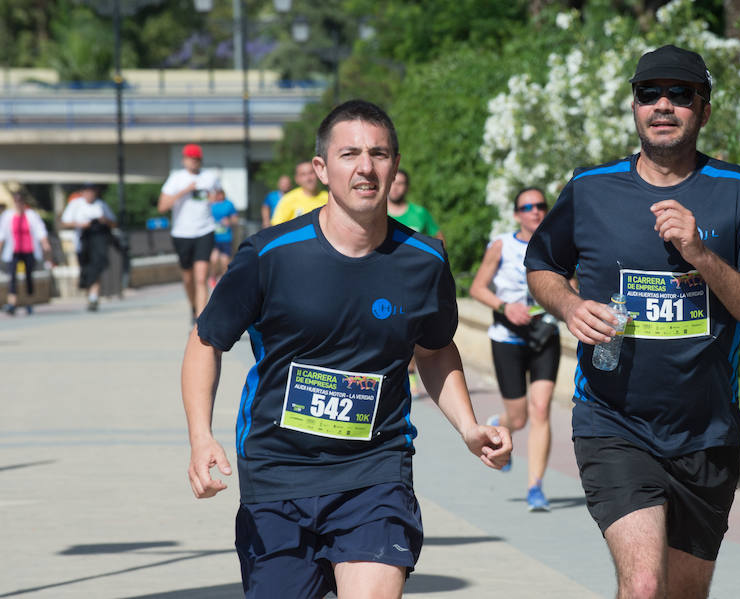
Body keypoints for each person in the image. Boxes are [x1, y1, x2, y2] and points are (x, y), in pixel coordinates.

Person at [181, 99, 512, 599]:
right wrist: (201, 436)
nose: (365, 167)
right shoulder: (269, 255)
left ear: (395, 166)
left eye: (379, 154)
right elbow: (206, 341)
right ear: (322, 168)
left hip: (375, 472)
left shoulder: (423, 261)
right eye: (350, 153)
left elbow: (436, 350)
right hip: (277, 473)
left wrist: (468, 426)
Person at [524, 45, 740, 598]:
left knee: (683, 593)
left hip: (707, 431)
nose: (663, 105)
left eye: (680, 95)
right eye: (650, 94)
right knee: (644, 585)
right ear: (634, 106)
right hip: (613, 422)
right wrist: (572, 306)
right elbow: (542, 267)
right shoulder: (591, 188)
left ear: (705, 110)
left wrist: (703, 256)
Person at [469, 187, 560, 512]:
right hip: (507, 337)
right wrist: (506, 307)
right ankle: (502, 422)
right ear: (516, 214)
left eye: (540, 206)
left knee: (541, 409)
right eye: (527, 207)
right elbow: (477, 288)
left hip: (543, 335)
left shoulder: (557, 244)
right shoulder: (502, 246)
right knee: (519, 417)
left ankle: (535, 486)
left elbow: (572, 284)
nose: (535, 211)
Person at [387, 169, 444, 398]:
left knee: (411, 328)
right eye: (394, 182)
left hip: (413, 282)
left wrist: (437, 267)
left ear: (407, 187)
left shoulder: (419, 214)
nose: (397, 187)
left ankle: (410, 373)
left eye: (401, 183)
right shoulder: (377, 213)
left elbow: (437, 239)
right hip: (383, 279)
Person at [157, 143, 220, 321]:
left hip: (205, 230)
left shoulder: (210, 177)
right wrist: (185, 191)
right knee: (188, 278)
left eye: (196, 159)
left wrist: (215, 198)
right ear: (184, 160)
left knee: (201, 277)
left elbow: (218, 196)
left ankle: (201, 318)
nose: (193, 162)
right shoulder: (176, 179)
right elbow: (162, 206)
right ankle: (193, 306)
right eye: (190, 159)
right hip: (182, 233)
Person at [60, 183, 117, 312]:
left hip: (98, 242)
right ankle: (90, 296)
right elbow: (64, 222)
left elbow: (113, 222)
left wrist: (104, 221)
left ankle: (93, 297)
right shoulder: (76, 204)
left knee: (96, 268)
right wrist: (82, 224)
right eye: (87, 191)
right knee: (86, 270)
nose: (90, 194)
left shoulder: (101, 205)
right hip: (82, 243)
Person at [1, 191, 52, 315]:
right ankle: (12, 303)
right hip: (13, 251)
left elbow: (40, 230)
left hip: (29, 250)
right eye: (16, 201)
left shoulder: (31, 215)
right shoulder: (8, 215)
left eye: (20, 201)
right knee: (12, 277)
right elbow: (2, 234)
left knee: (29, 276)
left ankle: (29, 303)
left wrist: (45, 243)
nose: (18, 204)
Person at [269, 160, 329, 225]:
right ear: (297, 179)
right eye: (303, 174)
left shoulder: (329, 198)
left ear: (318, 174)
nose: (308, 178)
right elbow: (276, 228)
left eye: (311, 173)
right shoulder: (288, 199)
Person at [208, 184, 238, 288]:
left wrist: (228, 221)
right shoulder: (210, 204)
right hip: (213, 237)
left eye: (221, 194)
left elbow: (235, 220)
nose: (219, 196)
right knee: (214, 259)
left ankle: (223, 280)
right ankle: (212, 277)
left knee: (225, 261)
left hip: (226, 237)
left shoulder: (229, 204)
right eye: (217, 194)